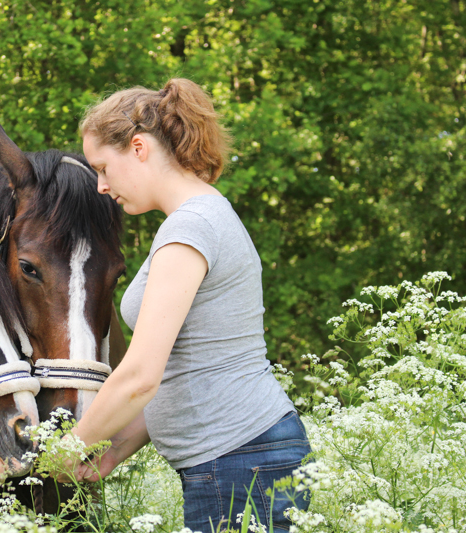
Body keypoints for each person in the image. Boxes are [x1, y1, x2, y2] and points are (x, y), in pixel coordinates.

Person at [62, 78, 312, 531]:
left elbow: (140, 376)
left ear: (139, 148)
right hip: (243, 458)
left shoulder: (191, 227)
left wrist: (62, 453)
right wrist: (113, 450)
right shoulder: (198, 218)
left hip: (240, 461)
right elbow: (188, 369)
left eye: (103, 167)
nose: (101, 185)